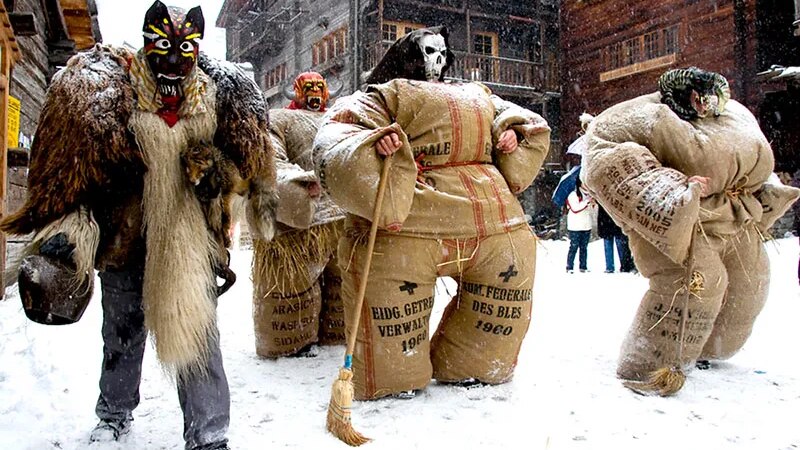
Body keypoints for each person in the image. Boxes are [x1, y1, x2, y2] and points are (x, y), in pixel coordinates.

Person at [0, 2, 277, 448]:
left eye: (184, 48)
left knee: (197, 337)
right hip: (125, 240)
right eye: (163, 46)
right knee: (122, 333)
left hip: (189, 247)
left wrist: (212, 175)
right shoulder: (119, 98)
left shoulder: (212, 101)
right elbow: (84, 171)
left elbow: (237, 179)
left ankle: (208, 432)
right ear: (148, 43)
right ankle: (113, 415)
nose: (173, 60)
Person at [313, 26, 550, 400]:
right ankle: (394, 376)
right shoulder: (381, 95)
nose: (436, 61)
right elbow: (338, 133)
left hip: (490, 217)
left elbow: (516, 117)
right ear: (408, 56)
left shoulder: (474, 94)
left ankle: (472, 365)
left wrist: (510, 131)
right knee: (391, 303)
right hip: (410, 219)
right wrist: (374, 142)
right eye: (427, 52)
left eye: (441, 52)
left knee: (508, 277)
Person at [581, 67, 799, 395]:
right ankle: (648, 368)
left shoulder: (733, 116)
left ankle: (711, 346)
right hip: (682, 222)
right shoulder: (642, 117)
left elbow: (757, 161)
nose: (703, 104)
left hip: (733, 214)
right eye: (696, 97)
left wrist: (761, 190)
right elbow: (606, 159)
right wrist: (677, 188)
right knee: (698, 282)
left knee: (750, 281)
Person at [252, 71, 347, 358]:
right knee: (294, 287)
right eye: (308, 89)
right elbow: (271, 156)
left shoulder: (340, 120)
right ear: (297, 91)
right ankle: (291, 343)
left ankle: (336, 335)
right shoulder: (280, 119)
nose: (315, 94)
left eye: (320, 88)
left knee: (341, 287)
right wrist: (300, 181)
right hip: (301, 222)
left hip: (340, 218)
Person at [565, 178, 594, 273]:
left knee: (584, 247)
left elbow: (590, 210)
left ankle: (583, 266)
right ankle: (570, 267)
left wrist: (592, 204)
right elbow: (575, 209)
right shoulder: (573, 195)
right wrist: (586, 202)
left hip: (586, 224)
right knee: (574, 246)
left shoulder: (589, 195)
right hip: (575, 225)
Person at [597, 204, 635, 273]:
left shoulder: (602, 196)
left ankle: (610, 267)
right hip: (615, 222)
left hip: (605, 222)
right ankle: (624, 265)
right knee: (620, 246)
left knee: (609, 246)